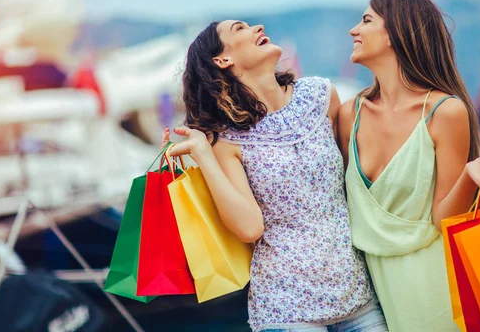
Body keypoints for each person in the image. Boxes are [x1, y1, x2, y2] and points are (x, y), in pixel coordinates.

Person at [163, 21, 386, 332]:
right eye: (240, 28)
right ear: (222, 60)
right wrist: (203, 154)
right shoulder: (226, 140)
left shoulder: (322, 96)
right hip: (286, 309)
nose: (257, 27)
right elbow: (249, 227)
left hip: (358, 299)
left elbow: (355, 183)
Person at [337, 0, 480, 331]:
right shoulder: (349, 115)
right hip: (375, 297)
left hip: (437, 289)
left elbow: (444, 219)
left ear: (395, 34)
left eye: (367, 20)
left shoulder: (444, 111)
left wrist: (469, 175)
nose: (353, 30)